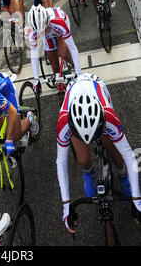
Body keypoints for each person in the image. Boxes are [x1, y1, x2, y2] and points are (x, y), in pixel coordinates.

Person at [56, 72, 141, 233]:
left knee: (116, 152)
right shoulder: (64, 121)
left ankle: (122, 176)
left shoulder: (108, 115)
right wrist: (66, 207)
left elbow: (129, 155)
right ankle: (88, 173)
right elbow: (60, 162)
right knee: (83, 159)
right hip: (74, 97)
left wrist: (137, 199)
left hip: (98, 89)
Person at [27, 4, 82, 92]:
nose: (41, 33)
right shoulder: (31, 32)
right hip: (50, 33)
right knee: (53, 60)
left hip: (59, 27)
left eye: (43, 30)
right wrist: (36, 79)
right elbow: (34, 56)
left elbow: (73, 48)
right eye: (39, 31)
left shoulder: (58, 22)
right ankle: (58, 79)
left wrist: (79, 73)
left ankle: (74, 66)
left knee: (63, 52)